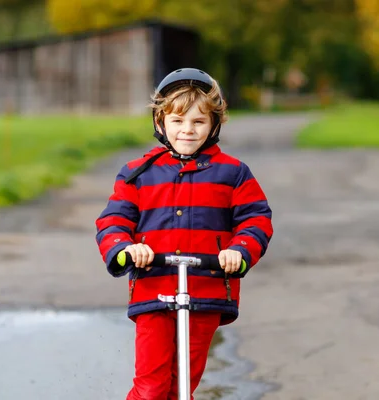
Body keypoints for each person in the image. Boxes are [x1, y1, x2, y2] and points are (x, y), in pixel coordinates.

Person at [95, 68, 273, 399]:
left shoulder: (233, 173)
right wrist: (125, 248)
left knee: (182, 385)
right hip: (154, 288)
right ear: (160, 123)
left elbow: (256, 218)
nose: (187, 131)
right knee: (151, 385)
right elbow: (113, 220)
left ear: (214, 125)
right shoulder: (137, 174)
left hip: (206, 290)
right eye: (178, 122)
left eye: (198, 122)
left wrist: (240, 250)